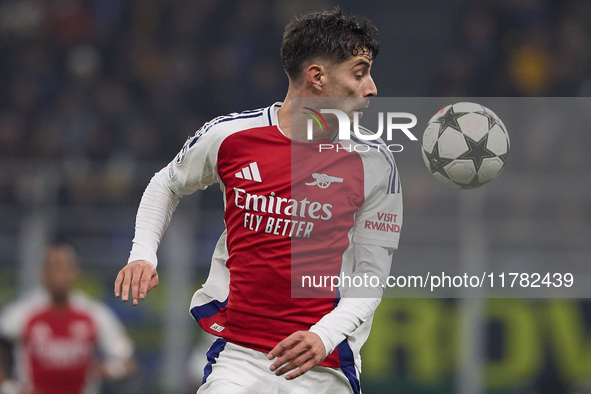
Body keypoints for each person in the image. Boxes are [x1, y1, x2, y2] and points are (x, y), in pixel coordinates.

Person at [114, 7, 402, 394]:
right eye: (359, 71)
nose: (371, 88)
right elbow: (165, 183)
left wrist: (322, 336)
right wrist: (143, 254)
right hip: (240, 355)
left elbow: (371, 277)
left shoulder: (374, 162)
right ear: (316, 77)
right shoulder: (231, 136)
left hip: (323, 365)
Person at [0, 243, 135, 394]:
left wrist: (108, 370)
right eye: (53, 268)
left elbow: (126, 359)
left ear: (75, 272)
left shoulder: (93, 313)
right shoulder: (22, 313)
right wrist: (8, 386)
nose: (59, 275)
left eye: (64, 268)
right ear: (43, 273)